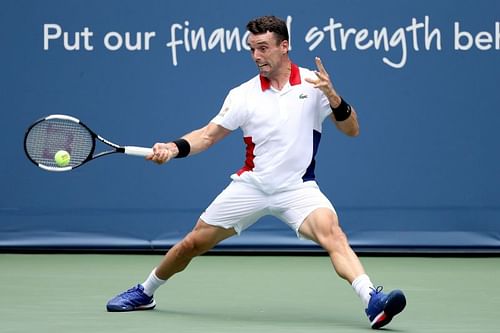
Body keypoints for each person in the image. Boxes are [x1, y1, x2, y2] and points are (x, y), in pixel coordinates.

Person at [106, 15, 406, 329]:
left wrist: (333, 96)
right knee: (192, 243)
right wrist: (173, 146)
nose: (256, 56)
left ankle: (372, 301)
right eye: (252, 49)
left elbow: (352, 129)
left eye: (263, 48)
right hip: (252, 186)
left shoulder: (313, 84)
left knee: (334, 235)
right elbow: (208, 135)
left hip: (298, 189)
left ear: (285, 46)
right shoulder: (242, 94)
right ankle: (146, 291)